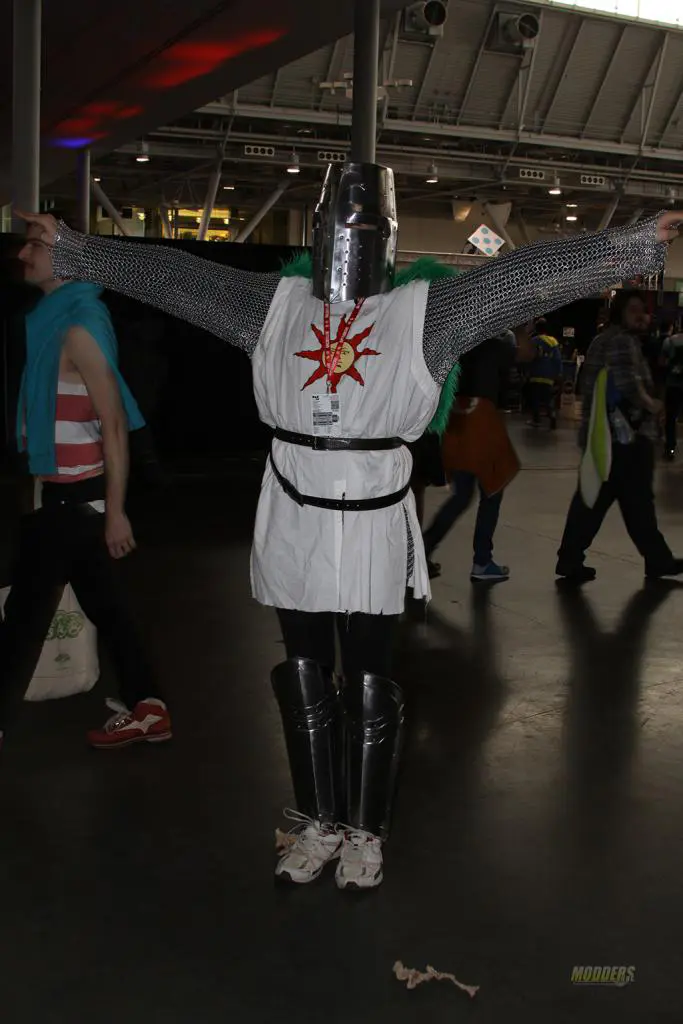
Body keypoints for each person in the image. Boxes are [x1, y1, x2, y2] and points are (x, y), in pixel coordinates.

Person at [20, 189, 679, 891]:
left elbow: (525, 279)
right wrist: (76, 248)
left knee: (368, 678)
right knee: (303, 670)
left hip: (372, 509)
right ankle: (317, 820)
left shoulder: (424, 313)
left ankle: (364, 829)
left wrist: (631, 245)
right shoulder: (274, 305)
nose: (346, 239)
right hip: (292, 504)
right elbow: (173, 277)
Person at [0, 221, 170, 752]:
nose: (24, 253)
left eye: (36, 245)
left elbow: (113, 423)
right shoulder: (53, 323)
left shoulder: (79, 328)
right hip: (66, 497)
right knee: (109, 609)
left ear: (69, 260)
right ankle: (149, 707)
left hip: (75, 502)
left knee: (21, 619)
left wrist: (115, 512)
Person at [556, 289, 683, 583]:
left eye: (643, 310)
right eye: (633, 310)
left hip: (604, 436)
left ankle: (572, 559)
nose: (641, 316)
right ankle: (656, 560)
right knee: (628, 502)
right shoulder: (621, 341)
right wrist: (654, 405)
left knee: (602, 500)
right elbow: (627, 385)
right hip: (624, 438)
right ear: (620, 313)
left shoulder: (603, 339)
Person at [422, 327, 533, 582]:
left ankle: (423, 549)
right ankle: (482, 561)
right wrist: (521, 328)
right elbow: (526, 354)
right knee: (493, 489)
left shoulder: (461, 341)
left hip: (457, 418)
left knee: (461, 496)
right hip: (481, 420)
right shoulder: (496, 344)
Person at [527, 318, 563, 429]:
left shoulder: (533, 341)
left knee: (535, 399)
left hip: (535, 374)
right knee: (548, 399)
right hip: (548, 376)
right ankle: (552, 416)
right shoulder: (553, 341)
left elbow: (529, 358)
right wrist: (558, 373)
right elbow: (557, 359)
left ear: (536, 329)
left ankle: (536, 420)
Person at [662, 327, 683, 459]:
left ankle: (670, 449)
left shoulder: (669, 341)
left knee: (670, 418)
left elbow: (662, 362)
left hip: (674, 384)